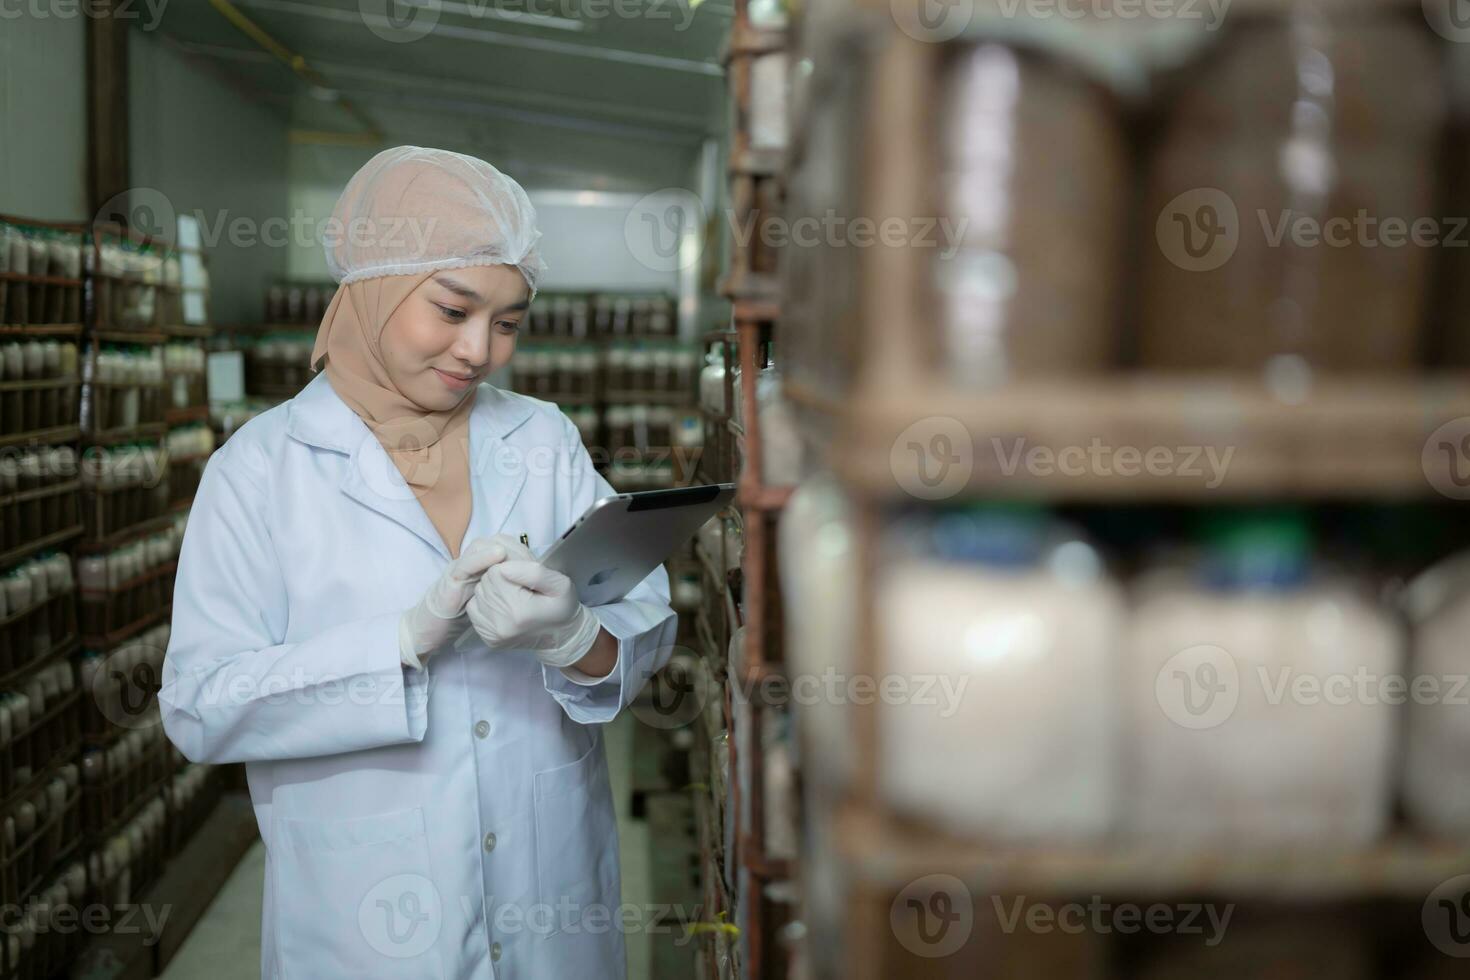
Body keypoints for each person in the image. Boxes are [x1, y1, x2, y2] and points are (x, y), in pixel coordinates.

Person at [159, 146, 676, 979]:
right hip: (368, 922)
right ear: (374, 287)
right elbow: (200, 706)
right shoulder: (261, 470)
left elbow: (644, 624)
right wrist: (397, 640)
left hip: (552, 902)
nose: (480, 351)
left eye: (508, 322)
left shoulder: (540, 439)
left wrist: (574, 636)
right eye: (452, 309)